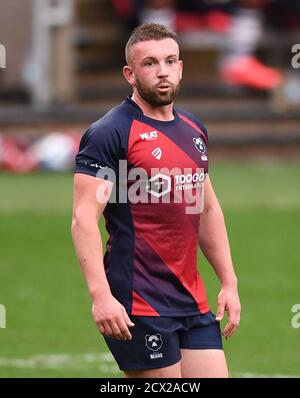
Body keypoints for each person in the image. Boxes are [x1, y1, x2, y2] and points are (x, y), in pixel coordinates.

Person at [71, 23, 241, 378]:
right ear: (130, 74)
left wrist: (229, 281)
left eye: (170, 61)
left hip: (192, 299)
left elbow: (206, 208)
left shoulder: (193, 129)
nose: (162, 71)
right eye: (149, 63)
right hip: (138, 301)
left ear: (180, 67)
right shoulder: (111, 133)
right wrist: (100, 296)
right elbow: (84, 217)